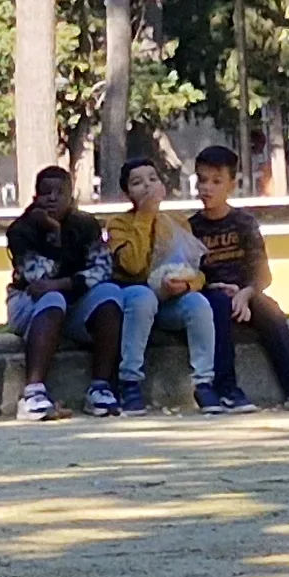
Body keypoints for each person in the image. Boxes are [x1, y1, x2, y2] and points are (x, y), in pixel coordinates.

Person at [188, 145, 289, 411]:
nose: (207, 188)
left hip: (246, 292)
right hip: (210, 293)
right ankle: (227, 389)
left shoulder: (244, 223)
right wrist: (210, 285)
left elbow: (262, 271)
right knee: (219, 306)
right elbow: (188, 271)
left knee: (271, 311)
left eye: (216, 181)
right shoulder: (191, 227)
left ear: (231, 185)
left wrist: (247, 292)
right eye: (202, 180)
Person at [85, 157, 216, 416]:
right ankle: (129, 381)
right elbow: (133, 266)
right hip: (136, 301)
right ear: (127, 193)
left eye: (152, 179)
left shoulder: (178, 221)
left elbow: (197, 269)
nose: (147, 186)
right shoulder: (119, 224)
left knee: (198, 304)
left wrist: (187, 285)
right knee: (143, 296)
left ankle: (204, 382)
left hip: (171, 300)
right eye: (137, 183)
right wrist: (145, 216)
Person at [0, 165, 105, 422]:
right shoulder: (21, 229)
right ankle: (33, 393)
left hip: (73, 300)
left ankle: (101, 388)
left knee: (109, 295)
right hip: (28, 304)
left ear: (72, 195)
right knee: (52, 299)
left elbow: (103, 269)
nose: (53, 198)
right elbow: (38, 280)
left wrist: (67, 283)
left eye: (60, 192)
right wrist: (52, 232)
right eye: (46, 192)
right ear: (36, 196)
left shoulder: (87, 225)